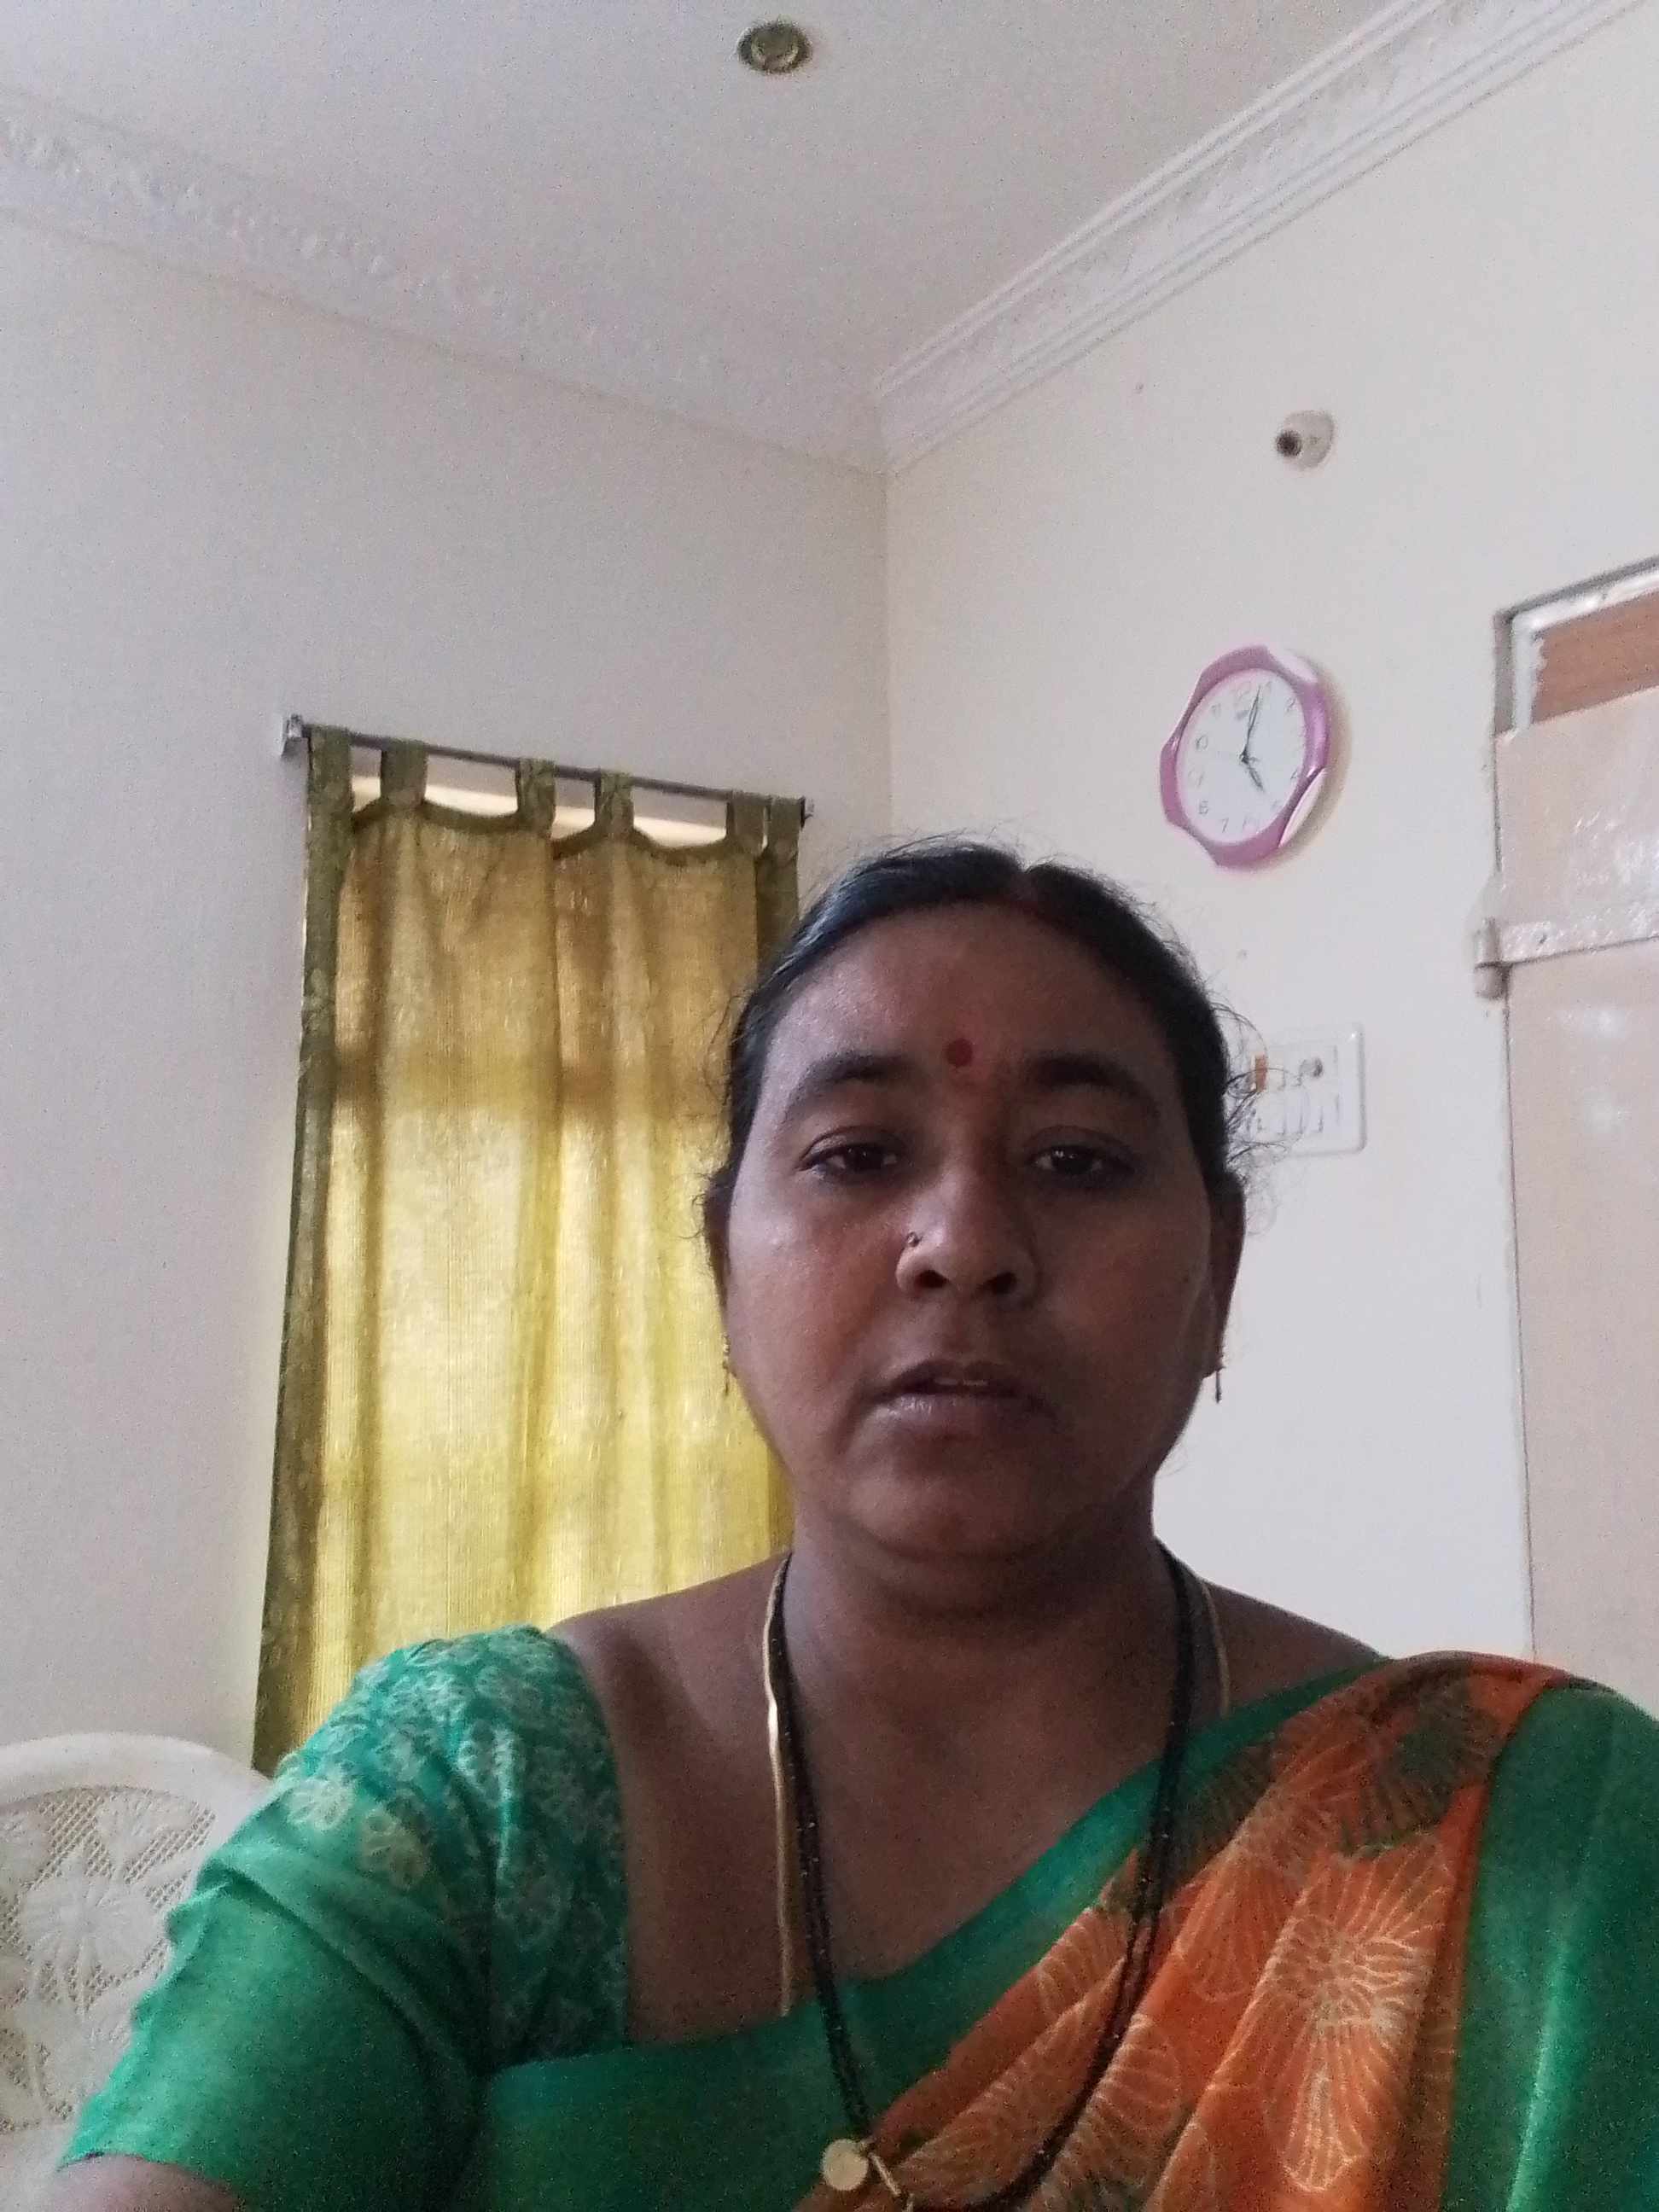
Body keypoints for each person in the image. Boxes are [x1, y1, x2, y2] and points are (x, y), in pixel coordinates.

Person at [53, 841, 1659, 2212]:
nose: (963, 1241)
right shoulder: (471, 1796)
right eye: (857, 1156)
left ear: (1217, 1279)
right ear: (724, 1272)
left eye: (1078, 1160)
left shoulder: (1527, 1843)